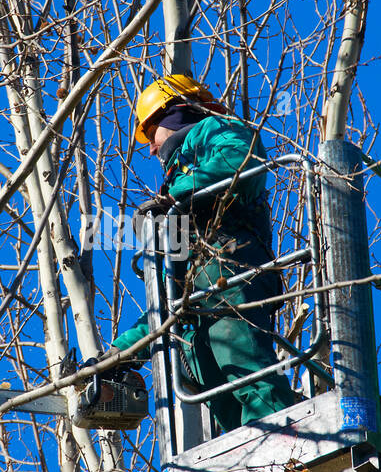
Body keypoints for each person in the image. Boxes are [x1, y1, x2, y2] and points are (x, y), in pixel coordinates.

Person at [105, 74, 297, 432]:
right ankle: (255, 453)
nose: (149, 149)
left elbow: (241, 164)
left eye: (149, 134)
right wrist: (119, 353)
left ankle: (287, 442)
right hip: (195, 309)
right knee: (224, 399)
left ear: (172, 113)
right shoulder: (175, 205)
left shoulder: (217, 131)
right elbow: (165, 299)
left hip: (232, 271)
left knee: (247, 373)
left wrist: (175, 196)